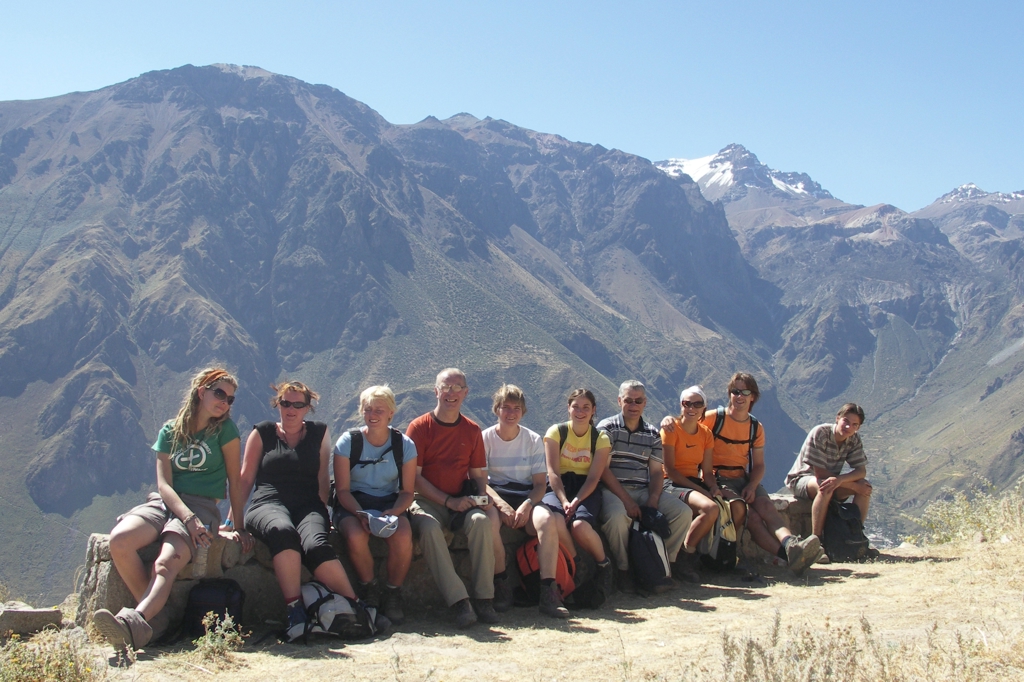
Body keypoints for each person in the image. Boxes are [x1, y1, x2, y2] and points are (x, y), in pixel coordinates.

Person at [93, 367, 253, 652]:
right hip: (164, 502)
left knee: (166, 562)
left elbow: (234, 479)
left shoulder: (225, 431)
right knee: (120, 540)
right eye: (219, 394)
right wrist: (186, 518)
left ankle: (136, 620)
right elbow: (164, 484)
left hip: (202, 505)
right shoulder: (170, 430)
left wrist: (237, 525)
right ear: (201, 391)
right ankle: (157, 621)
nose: (224, 403)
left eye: (230, 399)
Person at [240, 381, 361, 641]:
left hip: (308, 505)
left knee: (316, 545)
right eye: (285, 403)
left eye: (298, 404)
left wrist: (324, 512)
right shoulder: (262, 433)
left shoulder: (320, 433)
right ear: (278, 405)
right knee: (283, 532)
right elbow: (245, 478)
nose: (291, 409)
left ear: (308, 408)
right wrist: (234, 520)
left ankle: (355, 606)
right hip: (267, 503)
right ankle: (295, 611)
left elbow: (322, 478)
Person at [698, 373, 820, 575]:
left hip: (742, 478)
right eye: (735, 391)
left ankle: (791, 546)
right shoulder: (713, 419)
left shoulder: (755, 428)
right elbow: (687, 427)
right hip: (717, 478)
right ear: (729, 394)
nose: (739, 396)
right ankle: (790, 556)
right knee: (751, 517)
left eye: (745, 392)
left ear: (753, 396)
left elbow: (759, 464)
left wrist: (752, 486)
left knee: (766, 506)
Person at [406, 368, 499, 628]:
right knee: (428, 528)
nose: (451, 393)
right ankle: (460, 601)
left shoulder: (471, 430)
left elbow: (479, 473)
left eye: (457, 388)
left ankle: (485, 598)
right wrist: (448, 501)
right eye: (446, 387)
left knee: (482, 523)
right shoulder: (419, 427)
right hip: (427, 501)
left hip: (462, 501)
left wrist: (481, 496)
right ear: (435, 391)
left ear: (466, 393)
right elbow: (414, 478)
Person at [483, 384, 570, 619]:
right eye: (505, 407)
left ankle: (548, 591)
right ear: (496, 410)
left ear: (523, 411)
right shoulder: (485, 439)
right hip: (496, 494)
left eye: (516, 408)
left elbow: (540, 484)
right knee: (488, 522)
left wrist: (526, 505)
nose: (510, 413)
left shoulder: (532, 439)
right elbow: (480, 480)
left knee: (546, 520)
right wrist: (500, 504)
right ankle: (501, 583)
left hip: (526, 495)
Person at [333, 385, 418, 624]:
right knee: (355, 535)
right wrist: (360, 514)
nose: (373, 414)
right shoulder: (348, 443)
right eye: (368, 409)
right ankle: (369, 589)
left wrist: (394, 513)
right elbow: (342, 490)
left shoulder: (405, 446)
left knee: (402, 535)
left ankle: (393, 592)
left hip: (389, 502)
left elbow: (407, 492)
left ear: (391, 412)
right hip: (354, 502)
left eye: (379, 410)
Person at [597, 380, 692, 591]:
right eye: (628, 400)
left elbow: (657, 473)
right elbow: (603, 471)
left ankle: (661, 565)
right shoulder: (607, 429)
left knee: (682, 513)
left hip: (643, 489)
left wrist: (653, 500)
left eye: (638, 400)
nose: (633, 405)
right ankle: (624, 570)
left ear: (645, 403)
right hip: (613, 490)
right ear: (619, 401)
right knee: (616, 518)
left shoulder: (652, 434)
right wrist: (627, 501)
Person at [542, 388, 614, 589]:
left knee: (579, 526)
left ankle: (603, 565)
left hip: (586, 487)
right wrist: (564, 500)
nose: (580, 412)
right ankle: (577, 562)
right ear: (568, 408)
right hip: (559, 486)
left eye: (586, 407)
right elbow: (553, 472)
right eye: (576, 407)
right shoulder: (556, 432)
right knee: (555, 519)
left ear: (593, 410)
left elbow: (594, 477)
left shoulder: (600, 439)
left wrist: (576, 501)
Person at [786, 403, 872, 552]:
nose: (848, 427)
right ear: (837, 418)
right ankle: (817, 542)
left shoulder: (853, 439)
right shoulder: (821, 433)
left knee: (864, 487)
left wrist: (843, 481)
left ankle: (856, 536)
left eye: (854, 425)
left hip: (833, 481)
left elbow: (860, 471)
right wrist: (850, 485)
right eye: (846, 421)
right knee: (824, 486)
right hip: (802, 479)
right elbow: (819, 473)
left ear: (858, 427)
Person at [660, 385, 721, 579]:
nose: (692, 408)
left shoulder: (706, 434)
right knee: (710, 509)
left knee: (725, 506)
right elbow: (670, 470)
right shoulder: (671, 429)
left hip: (692, 483)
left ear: (704, 407)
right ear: (681, 405)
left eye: (697, 404)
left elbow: (707, 471)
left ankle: (716, 559)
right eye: (688, 403)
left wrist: (713, 487)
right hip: (671, 483)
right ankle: (684, 557)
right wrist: (700, 490)